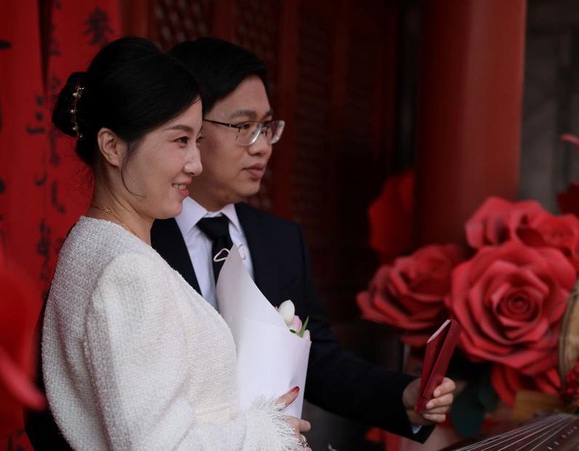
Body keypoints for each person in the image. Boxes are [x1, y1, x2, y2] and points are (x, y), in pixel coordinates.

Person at [151, 37, 455, 444]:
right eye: (243, 127)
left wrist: (402, 395)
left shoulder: (279, 239)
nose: (262, 148)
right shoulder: (143, 236)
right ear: (187, 126)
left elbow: (320, 360)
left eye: (266, 127)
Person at [40, 36, 311, 450]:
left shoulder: (94, 246)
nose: (195, 164)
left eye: (198, 140)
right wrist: (265, 432)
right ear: (112, 146)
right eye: (180, 140)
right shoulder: (127, 272)